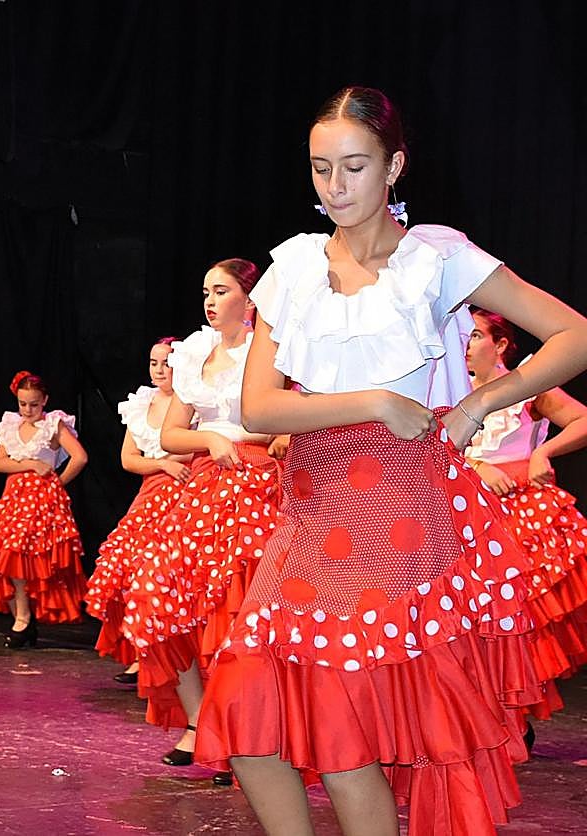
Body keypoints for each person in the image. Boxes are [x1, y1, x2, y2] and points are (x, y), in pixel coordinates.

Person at [193, 86, 587, 836]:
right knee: (245, 708)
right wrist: (375, 400)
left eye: (354, 167)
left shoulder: (436, 260)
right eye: (321, 169)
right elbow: (260, 407)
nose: (335, 187)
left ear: (393, 166)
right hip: (312, 506)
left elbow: (576, 334)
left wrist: (479, 402)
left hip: (402, 509)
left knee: (342, 731)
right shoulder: (294, 267)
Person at [123, 260, 283, 779]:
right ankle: (200, 722)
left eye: (221, 291)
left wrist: (241, 439)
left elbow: (285, 424)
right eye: (206, 291)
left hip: (257, 486)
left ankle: (245, 737)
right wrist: (211, 438)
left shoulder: (271, 351)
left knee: (236, 613)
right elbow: (171, 434)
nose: (210, 301)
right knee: (160, 597)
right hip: (205, 485)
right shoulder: (195, 353)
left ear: (249, 300)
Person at [464, 307, 587, 729]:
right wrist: (476, 467)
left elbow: (582, 419)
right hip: (465, 515)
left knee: (520, 617)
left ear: (499, 345)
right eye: (462, 337)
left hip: (517, 515)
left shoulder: (525, 388)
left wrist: (543, 452)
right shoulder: (449, 390)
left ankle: (514, 715)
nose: (466, 346)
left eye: (475, 336)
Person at [86, 338, 191, 683]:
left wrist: (172, 461)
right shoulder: (142, 403)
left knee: (166, 575)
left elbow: (199, 449)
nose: (159, 370)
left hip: (184, 494)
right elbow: (128, 459)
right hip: (151, 494)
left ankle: (167, 657)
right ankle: (137, 652)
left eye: (167, 363)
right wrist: (163, 463)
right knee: (129, 568)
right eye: (154, 363)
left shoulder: (192, 400)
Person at [0, 372, 88, 646]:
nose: (28, 410)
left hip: (40, 499)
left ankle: (24, 618)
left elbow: (79, 457)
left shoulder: (53, 425)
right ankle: (22, 616)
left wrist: (57, 483)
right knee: (2, 554)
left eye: (34, 404)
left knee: (23, 554)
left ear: (45, 401)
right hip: (13, 497)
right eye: (23, 404)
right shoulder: (11, 425)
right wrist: (30, 464)